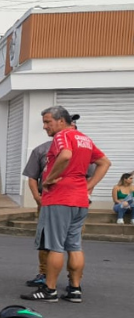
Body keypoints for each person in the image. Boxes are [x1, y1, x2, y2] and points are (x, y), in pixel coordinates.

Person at [22, 106, 111, 303]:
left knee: (55, 246)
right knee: (75, 246)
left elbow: (65, 155)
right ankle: (74, 290)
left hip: (60, 198)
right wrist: (88, 186)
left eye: (48, 122)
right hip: (80, 199)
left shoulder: (63, 136)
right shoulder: (85, 139)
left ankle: (50, 290)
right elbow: (105, 162)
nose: (45, 127)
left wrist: (49, 179)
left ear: (61, 121)